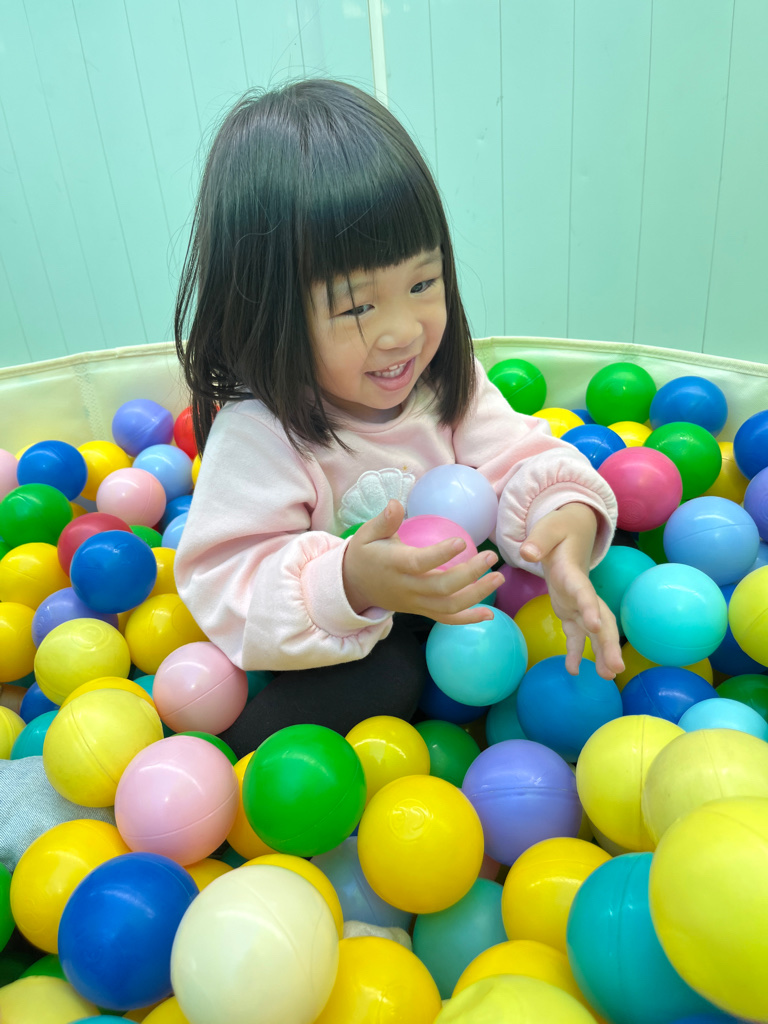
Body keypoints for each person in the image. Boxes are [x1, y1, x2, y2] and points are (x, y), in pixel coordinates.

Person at [173, 78, 623, 759]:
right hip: (346, 633)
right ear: (266, 312)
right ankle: (229, 768)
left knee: (591, 584)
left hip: (473, 609)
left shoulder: (445, 382)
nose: (404, 331)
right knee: (384, 676)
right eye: (357, 307)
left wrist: (563, 535)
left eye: (422, 283)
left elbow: (522, 457)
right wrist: (352, 583)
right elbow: (227, 575)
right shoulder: (261, 430)